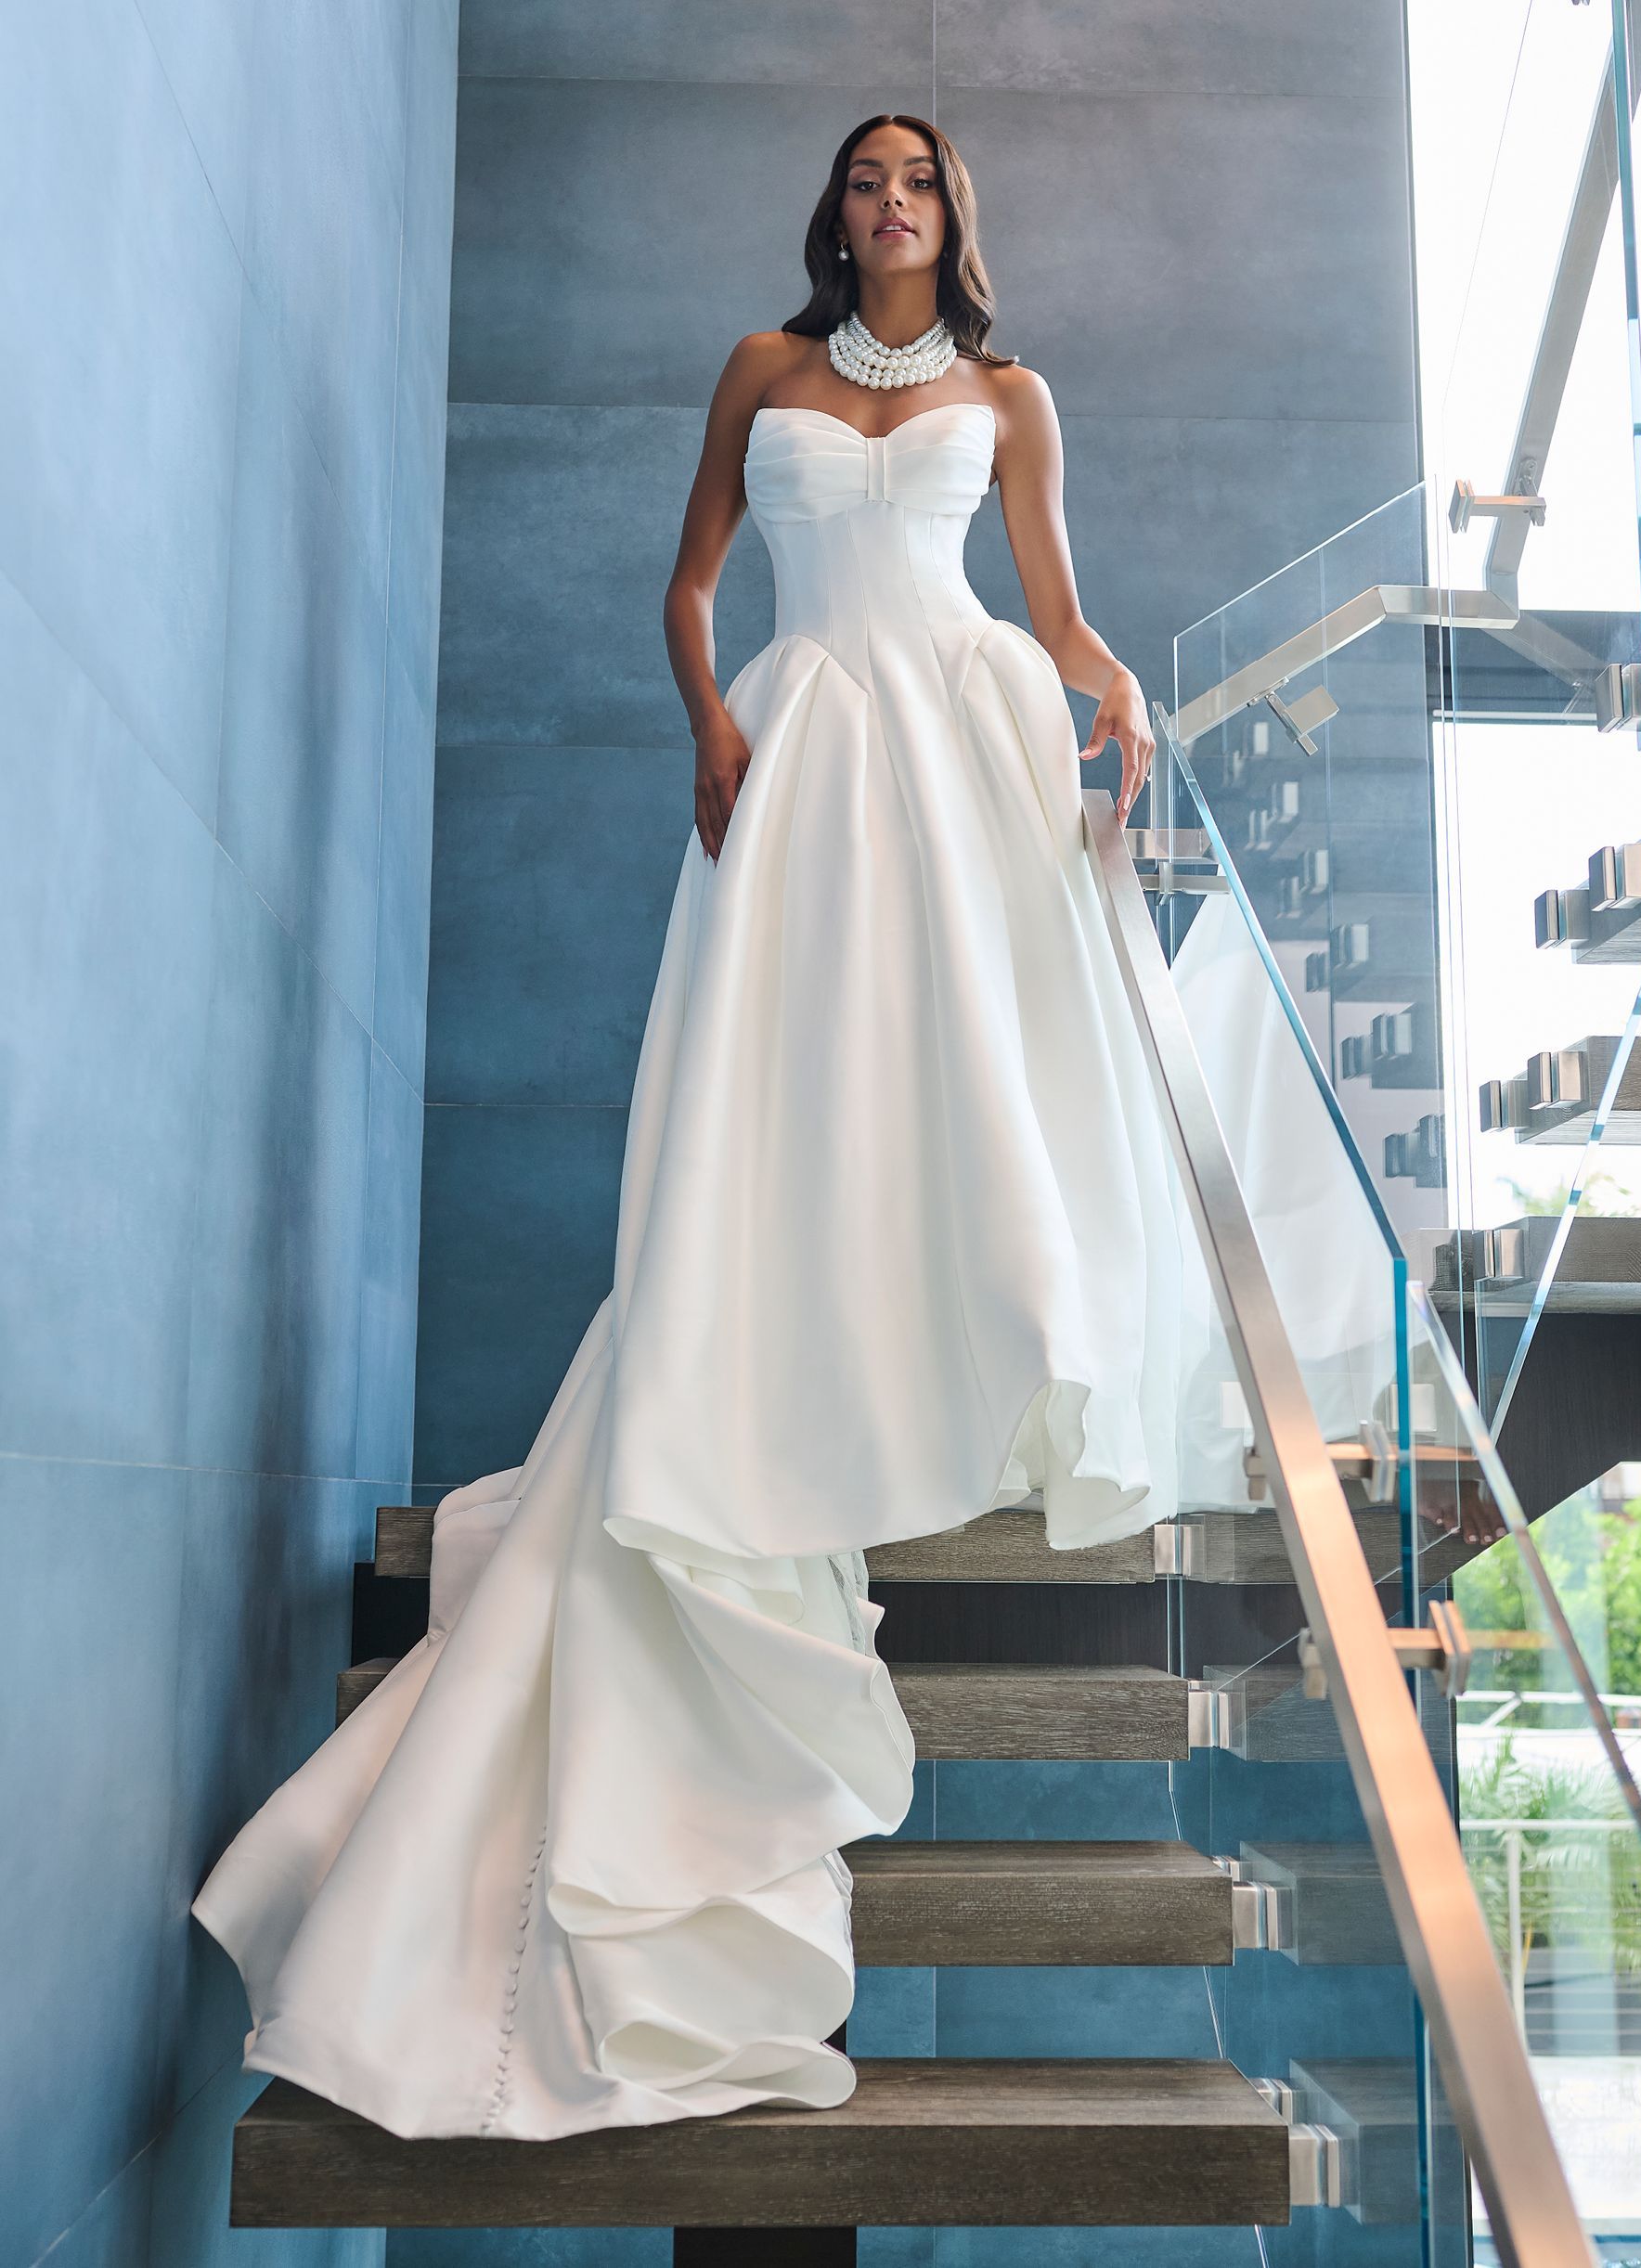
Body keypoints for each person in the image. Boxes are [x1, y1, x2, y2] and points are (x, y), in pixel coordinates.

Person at [190, 110, 1184, 2144]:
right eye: (865, 180)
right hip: (809, 749)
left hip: (964, 734)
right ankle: (771, 1354)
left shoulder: (1012, 392)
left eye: (920, 183)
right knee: (777, 1091)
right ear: (835, 210)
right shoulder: (764, 368)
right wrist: (714, 721)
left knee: (960, 1083)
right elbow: (691, 584)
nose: (889, 204)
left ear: (951, 220)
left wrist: (1112, 694)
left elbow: (1060, 607)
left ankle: (951, 1342)